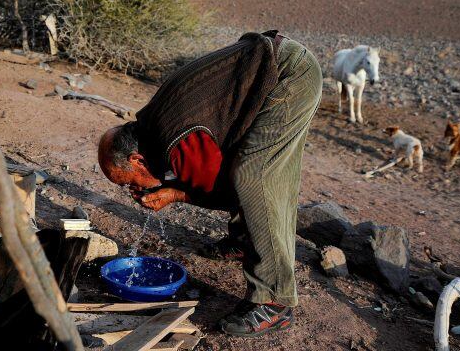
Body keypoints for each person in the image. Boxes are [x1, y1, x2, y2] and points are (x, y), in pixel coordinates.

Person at [97, 30, 322, 337]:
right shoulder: (149, 124)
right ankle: (244, 241)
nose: (133, 190)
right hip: (267, 67)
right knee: (242, 162)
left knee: (254, 177)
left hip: (289, 76)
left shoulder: (177, 141)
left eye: (129, 183)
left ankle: (274, 302)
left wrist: (175, 193)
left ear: (137, 160)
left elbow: (229, 192)